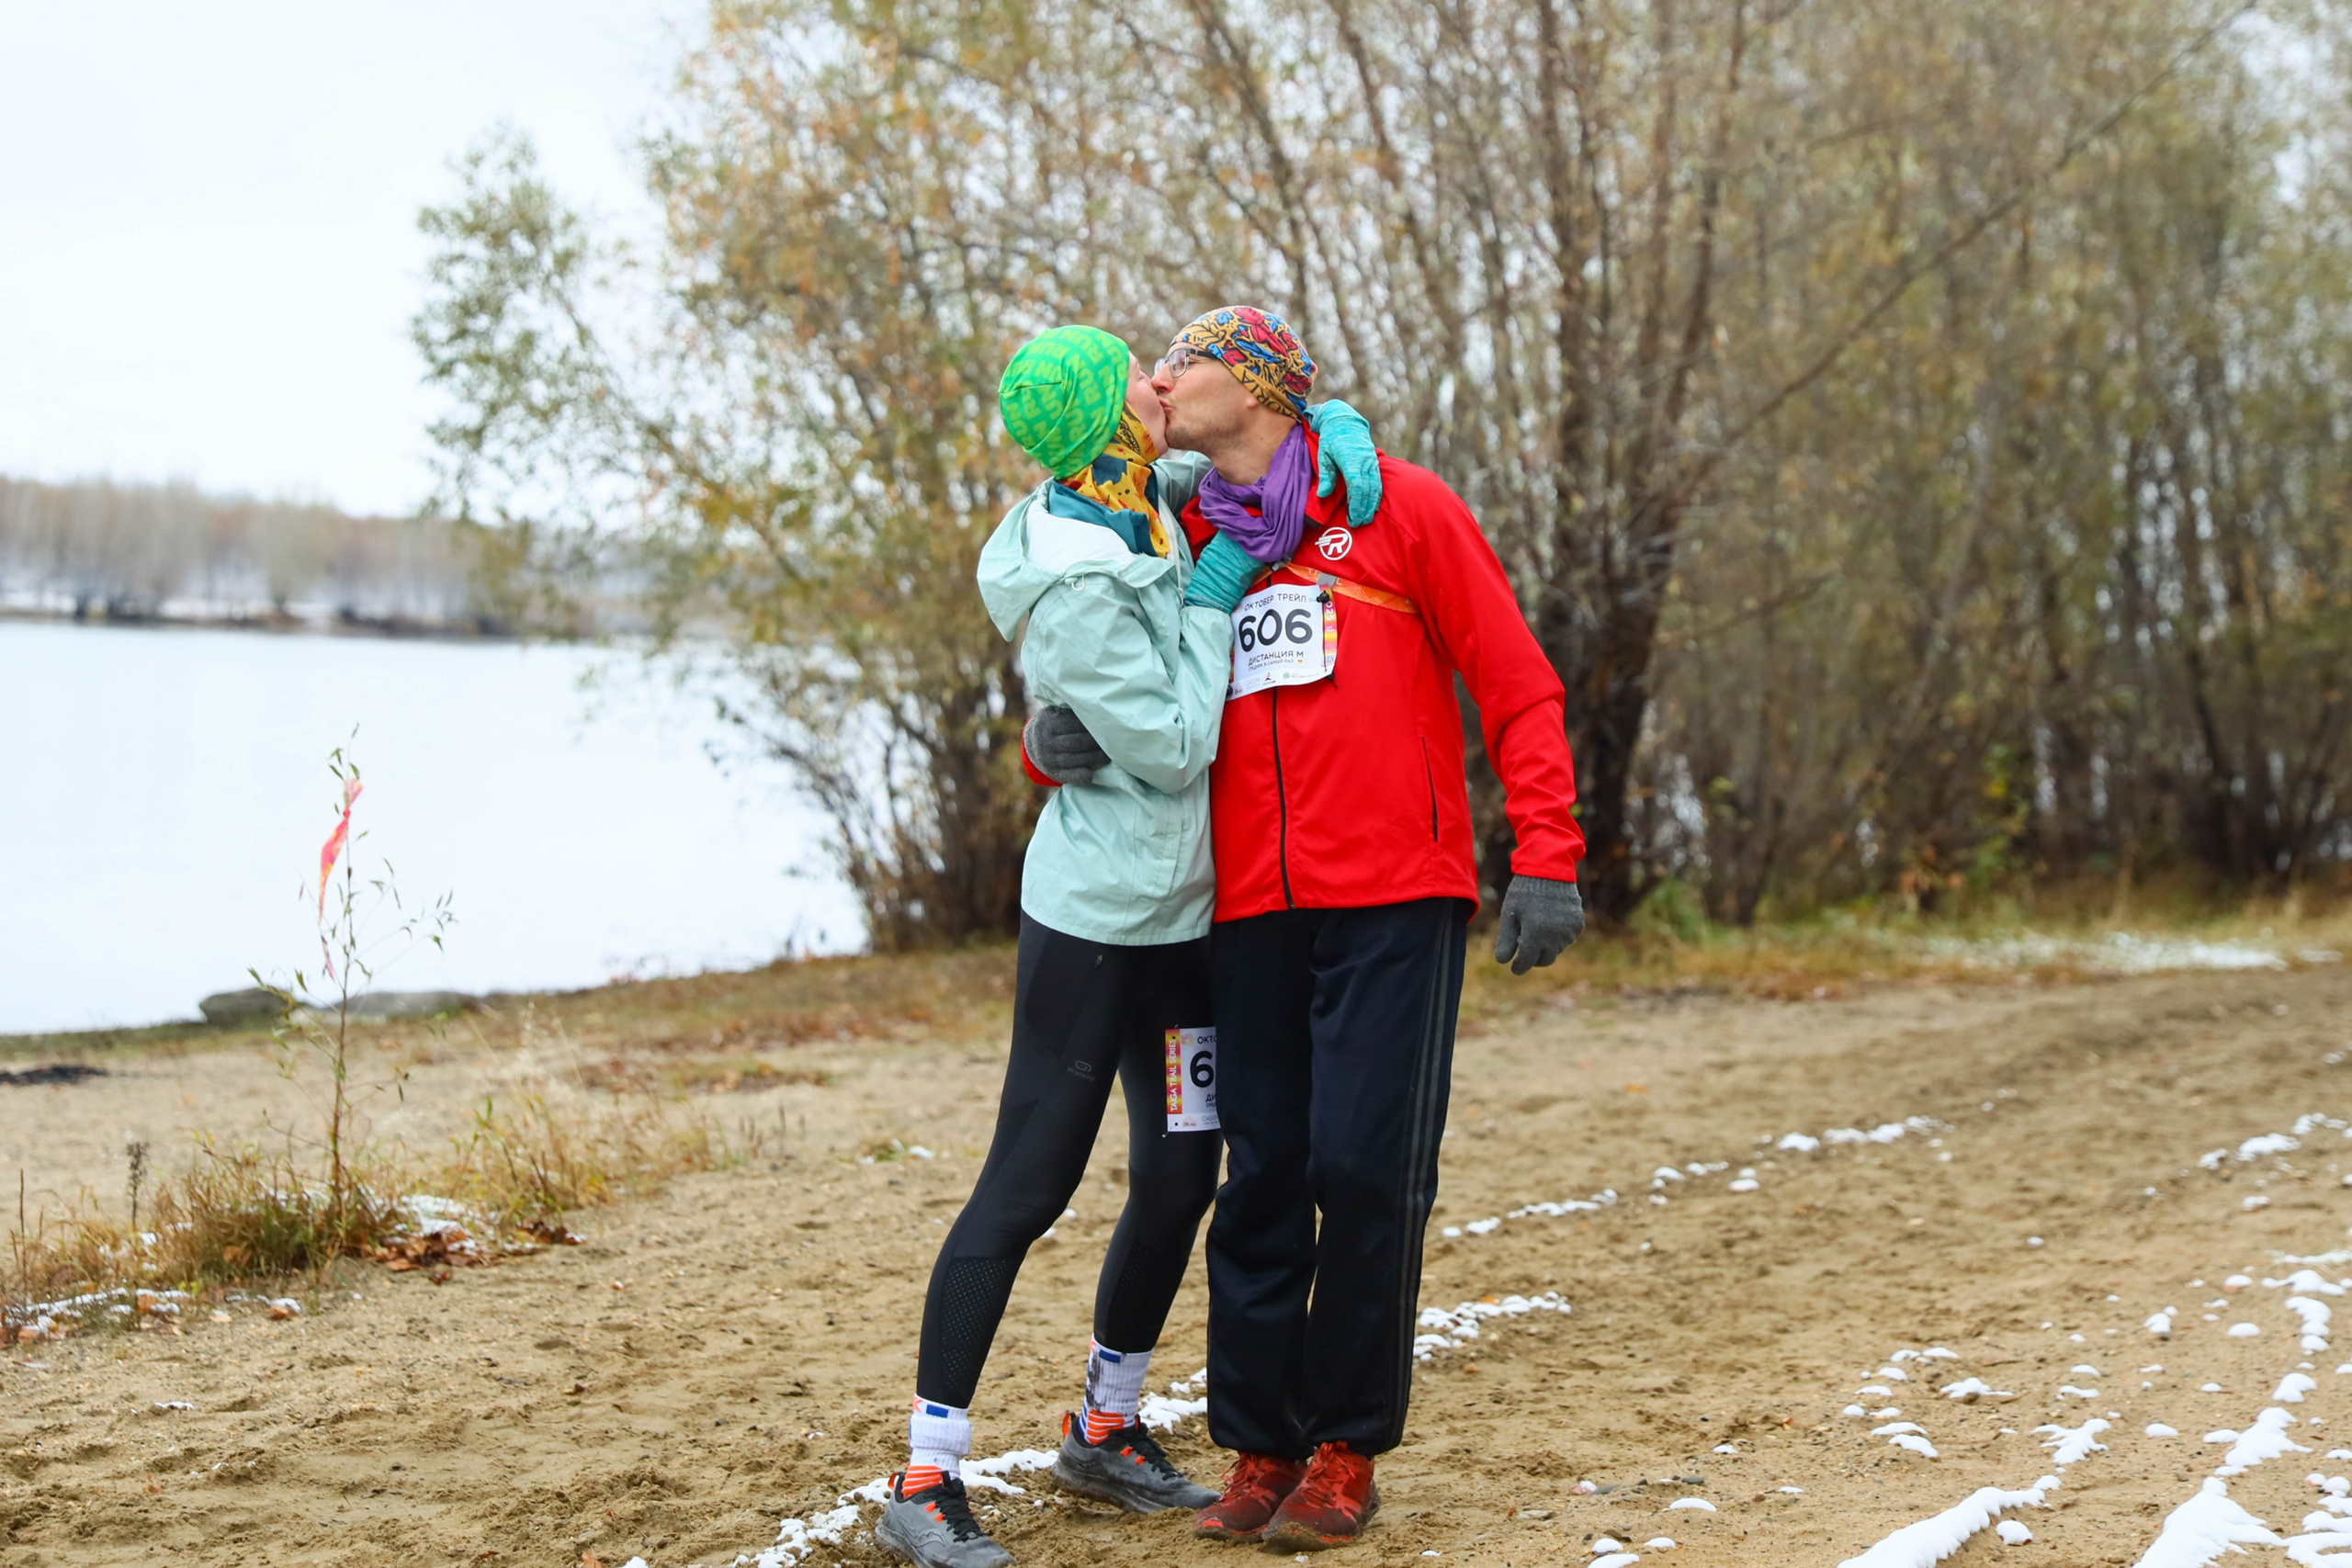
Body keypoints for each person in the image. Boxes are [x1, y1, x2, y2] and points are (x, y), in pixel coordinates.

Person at [1032, 305, 1588, 1551]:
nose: (1162, 376)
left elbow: (1516, 682)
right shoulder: (1178, 537)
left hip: (1395, 894)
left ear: (1262, 386)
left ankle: (1345, 1450)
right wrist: (1048, 744)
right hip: (1244, 910)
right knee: (1264, 1179)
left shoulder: (1401, 507)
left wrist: (1546, 853)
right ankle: (1261, 1446)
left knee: (1365, 1172)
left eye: (1186, 359)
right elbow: (1120, 693)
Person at [872, 321, 1384, 1568]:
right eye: (1137, 380)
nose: (1161, 384)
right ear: (1108, 420)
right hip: (1096, 930)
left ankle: (1104, 1426)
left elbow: (1248, 458)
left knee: (1182, 1170)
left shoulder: (1138, 492)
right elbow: (1173, 746)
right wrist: (1211, 600)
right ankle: (925, 1476)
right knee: (1029, 1184)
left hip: (1183, 928)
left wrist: (1335, 425)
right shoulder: (1080, 583)